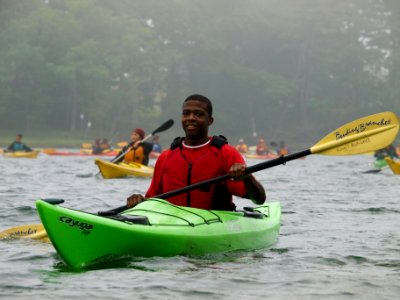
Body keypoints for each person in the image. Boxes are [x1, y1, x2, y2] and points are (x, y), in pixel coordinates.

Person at [126, 94, 266, 210]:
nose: (191, 118)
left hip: (214, 225)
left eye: (198, 114)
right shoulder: (166, 157)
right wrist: (138, 201)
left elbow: (259, 199)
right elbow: (151, 202)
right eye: (186, 113)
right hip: (170, 224)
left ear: (209, 121)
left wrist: (247, 177)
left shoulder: (226, 153)